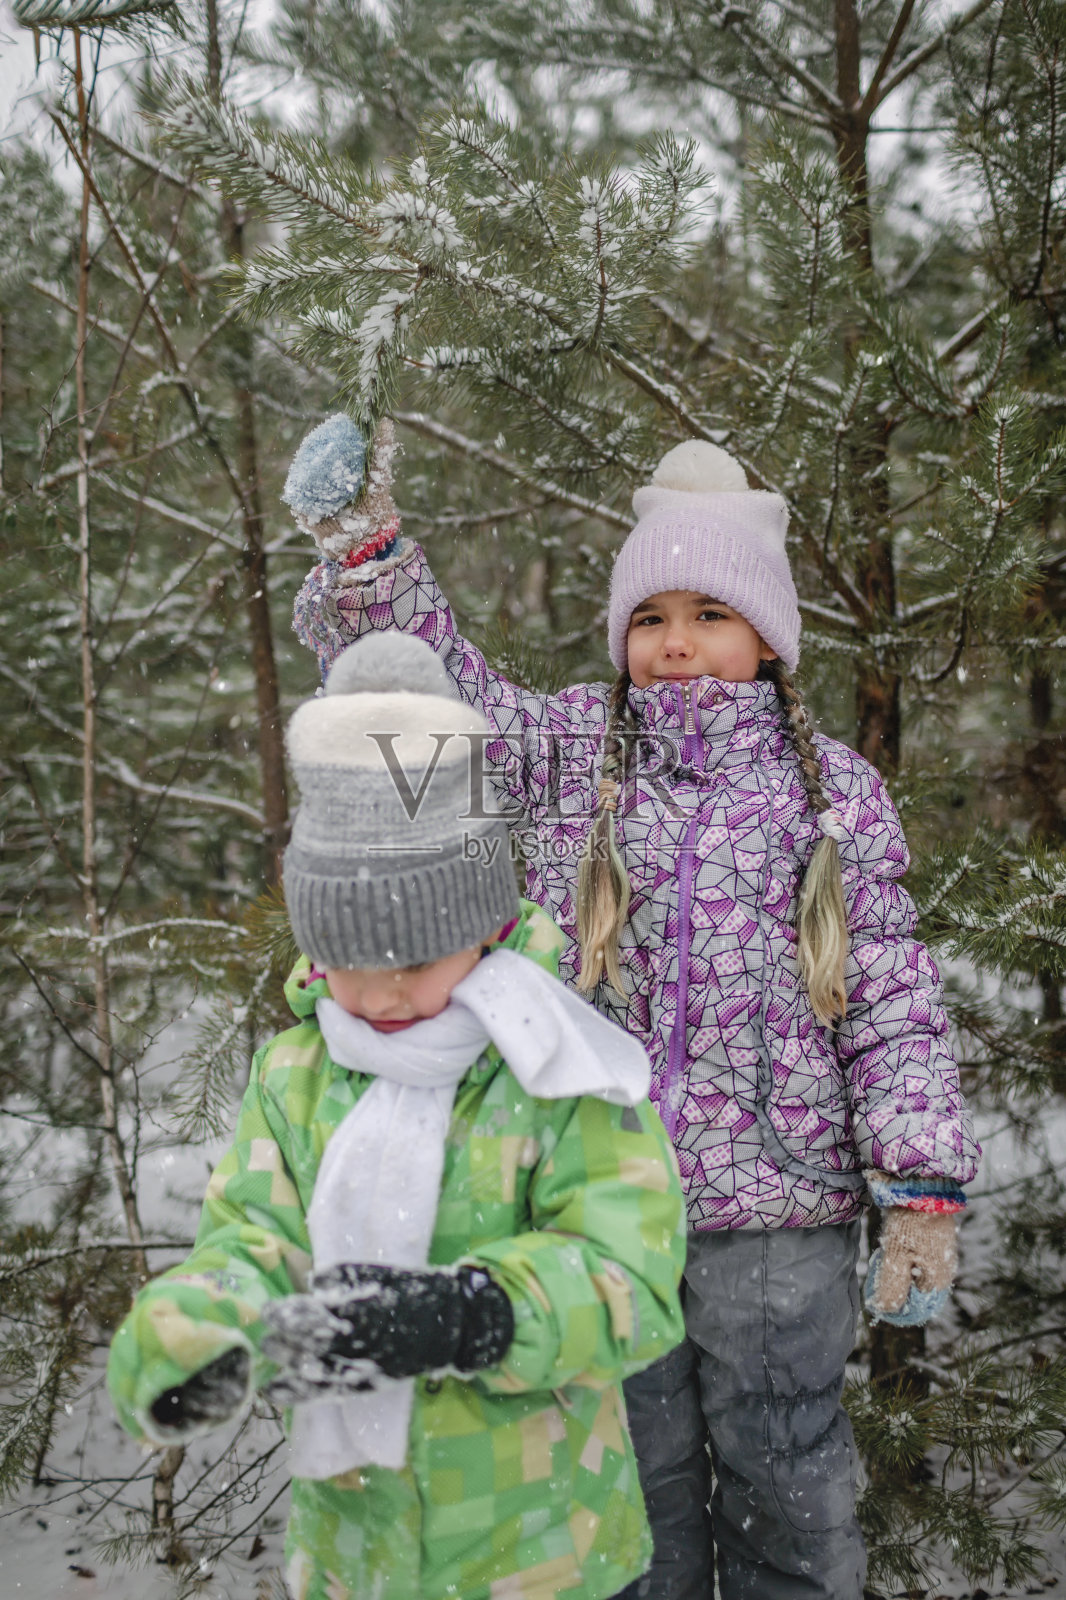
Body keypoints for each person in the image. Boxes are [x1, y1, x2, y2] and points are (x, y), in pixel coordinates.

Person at [287, 416, 981, 1600]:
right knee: (627, 1481)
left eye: (709, 613)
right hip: (605, 1208)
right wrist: (369, 561)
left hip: (779, 1219)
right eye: (650, 617)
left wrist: (919, 1182)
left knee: (785, 1473)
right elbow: (444, 700)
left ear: (767, 636)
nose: (676, 642)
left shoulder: (829, 795)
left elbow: (890, 996)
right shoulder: (569, 757)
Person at [107, 631, 687, 1600]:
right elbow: (251, 1241)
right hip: (358, 1555)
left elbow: (635, 1279)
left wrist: (469, 1316)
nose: (377, 995)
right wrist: (189, 1338)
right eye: (347, 960)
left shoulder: (553, 1064)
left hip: (543, 1552)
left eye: (412, 960)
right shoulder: (298, 1073)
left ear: (485, 927)